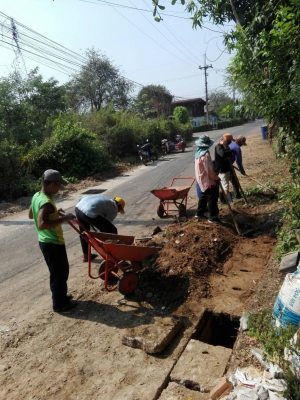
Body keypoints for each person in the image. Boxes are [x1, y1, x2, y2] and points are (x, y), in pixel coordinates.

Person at [28, 169, 77, 313]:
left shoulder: (37, 196)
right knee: (60, 273)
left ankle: (60, 296)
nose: (60, 188)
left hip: (45, 242)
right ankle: (59, 304)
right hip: (52, 242)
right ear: (52, 184)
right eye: (59, 185)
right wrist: (65, 218)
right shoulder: (46, 202)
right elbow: (42, 224)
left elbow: (31, 214)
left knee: (57, 272)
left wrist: (54, 213)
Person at [75, 195, 125, 261]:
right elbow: (105, 227)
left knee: (84, 232)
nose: (118, 212)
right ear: (118, 205)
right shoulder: (114, 207)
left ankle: (86, 256)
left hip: (78, 208)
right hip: (88, 210)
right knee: (112, 230)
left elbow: (81, 198)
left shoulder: (105, 200)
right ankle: (112, 255)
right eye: (119, 210)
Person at [195, 134, 221, 224]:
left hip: (200, 179)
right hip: (207, 179)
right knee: (212, 197)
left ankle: (199, 213)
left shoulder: (197, 153)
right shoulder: (205, 154)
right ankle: (213, 217)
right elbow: (209, 170)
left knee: (203, 196)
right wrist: (216, 178)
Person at [214, 133, 235, 205]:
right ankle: (230, 201)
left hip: (226, 168)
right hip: (222, 170)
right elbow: (223, 154)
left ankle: (222, 201)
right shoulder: (218, 147)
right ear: (224, 140)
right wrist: (231, 151)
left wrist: (226, 146)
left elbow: (228, 153)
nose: (229, 142)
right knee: (225, 186)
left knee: (222, 185)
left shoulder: (224, 146)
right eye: (228, 141)